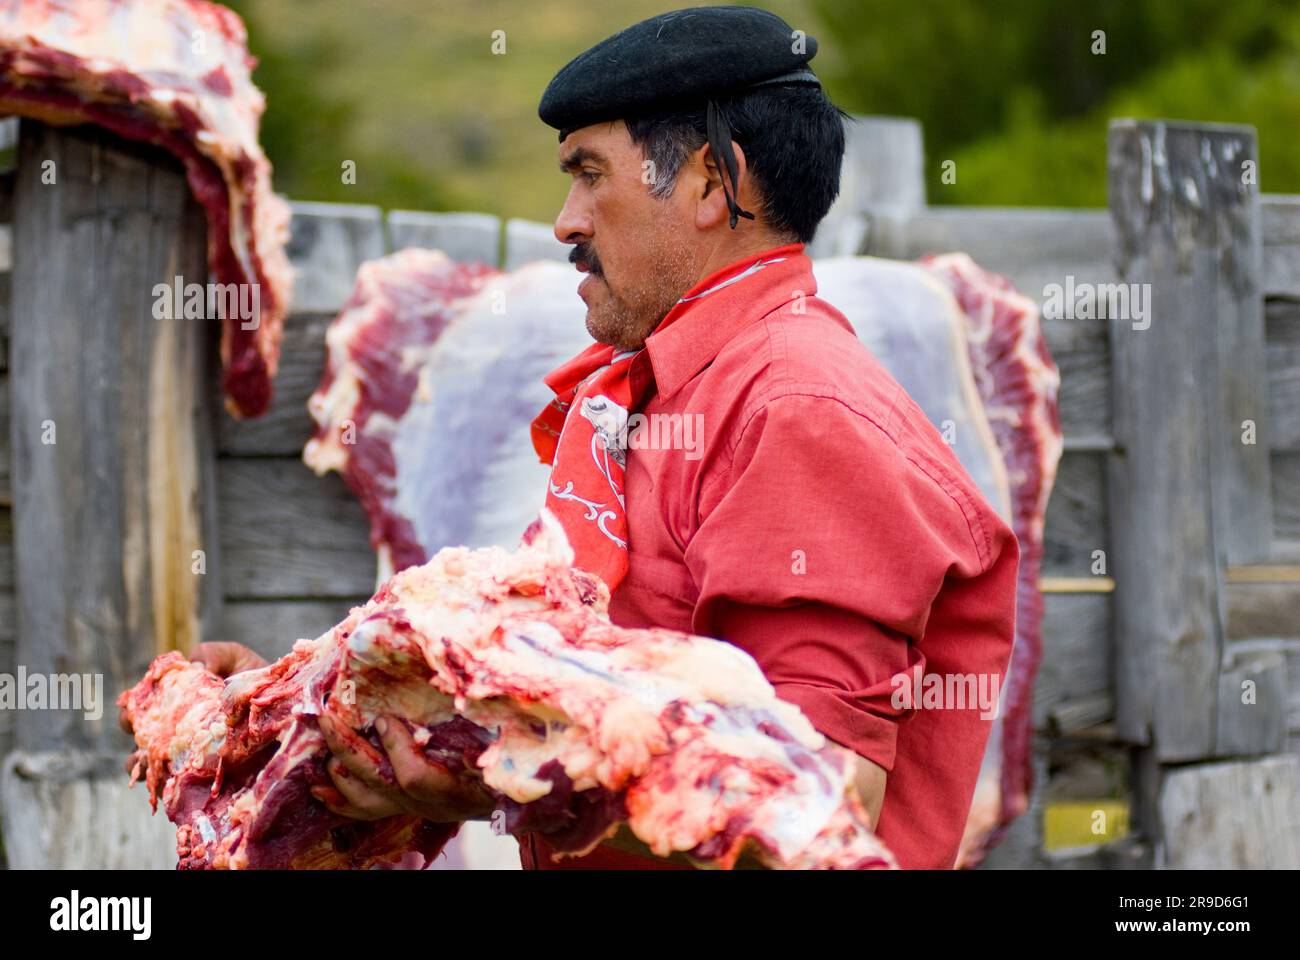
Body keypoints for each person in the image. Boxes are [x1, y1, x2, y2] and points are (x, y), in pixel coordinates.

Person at [185, 6, 1019, 871]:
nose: (566, 221)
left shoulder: (795, 407)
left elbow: (819, 803)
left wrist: (496, 786)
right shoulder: (673, 391)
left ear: (711, 181)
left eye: (590, 174)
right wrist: (297, 714)